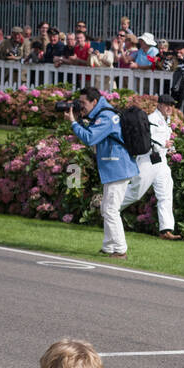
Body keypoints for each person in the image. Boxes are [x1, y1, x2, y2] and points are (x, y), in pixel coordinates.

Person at [67, 86, 139, 259]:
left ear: (94, 101)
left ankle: (120, 249)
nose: (81, 106)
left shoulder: (106, 116)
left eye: (83, 103)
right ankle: (108, 247)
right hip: (114, 168)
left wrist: (73, 122)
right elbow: (94, 133)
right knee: (106, 209)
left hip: (118, 168)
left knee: (111, 210)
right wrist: (81, 120)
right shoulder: (101, 114)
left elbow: (90, 138)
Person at [120, 94, 180, 240]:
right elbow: (147, 137)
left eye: (171, 105)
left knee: (165, 194)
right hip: (148, 160)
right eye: (166, 104)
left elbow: (163, 140)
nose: (169, 108)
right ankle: (109, 207)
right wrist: (162, 144)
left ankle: (166, 230)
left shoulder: (166, 120)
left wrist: (169, 148)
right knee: (135, 193)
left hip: (161, 162)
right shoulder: (152, 119)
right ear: (159, 105)